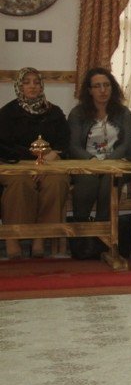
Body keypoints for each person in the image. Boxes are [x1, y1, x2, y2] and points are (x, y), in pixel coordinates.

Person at [0, 68, 70, 259]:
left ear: (42, 85)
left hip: (49, 165)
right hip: (16, 164)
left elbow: (64, 140)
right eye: (26, 82)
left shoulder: (53, 112)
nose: (32, 86)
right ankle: (12, 238)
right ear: (19, 86)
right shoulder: (7, 113)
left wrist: (54, 154)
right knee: (20, 183)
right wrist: (32, 164)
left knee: (57, 183)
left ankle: (40, 237)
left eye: (36, 82)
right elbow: (4, 146)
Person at [67, 68, 131, 225]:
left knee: (109, 182)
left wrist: (109, 162)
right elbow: (73, 146)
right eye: (97, 86)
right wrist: (92, 161)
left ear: (112, 88)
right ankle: (81, 227)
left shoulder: (123, 113)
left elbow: (127, 144)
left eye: (106, 85)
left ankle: (104, 231)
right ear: (89, 90)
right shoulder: (77, 113)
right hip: (87, 163)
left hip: (118, 163)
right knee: (87, 181)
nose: (103, 90)